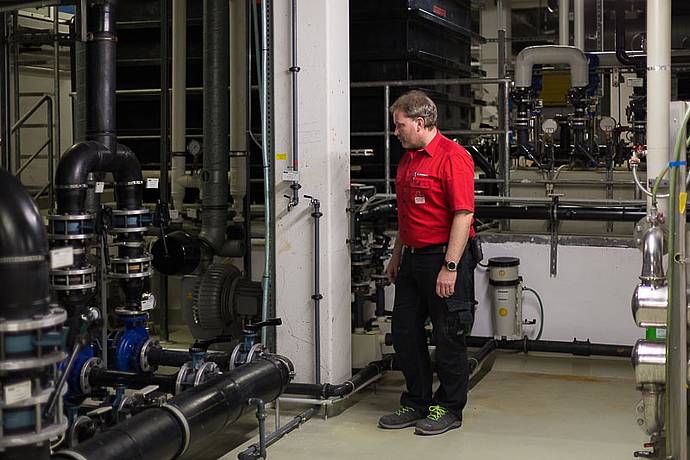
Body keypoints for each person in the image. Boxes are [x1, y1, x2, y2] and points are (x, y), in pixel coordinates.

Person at [378, 90, 477, 436]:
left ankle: (448, 408)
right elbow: (408, 214)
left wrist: (449, 267)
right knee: (404, 332)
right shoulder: (408, 159)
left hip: (444, 257)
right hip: (412, 259)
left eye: (399, 125)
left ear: (420, 123)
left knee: (448, 335)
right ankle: (417, 400)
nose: (396, 132)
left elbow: (463, 214)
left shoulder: (453, 157)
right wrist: (395, 255)